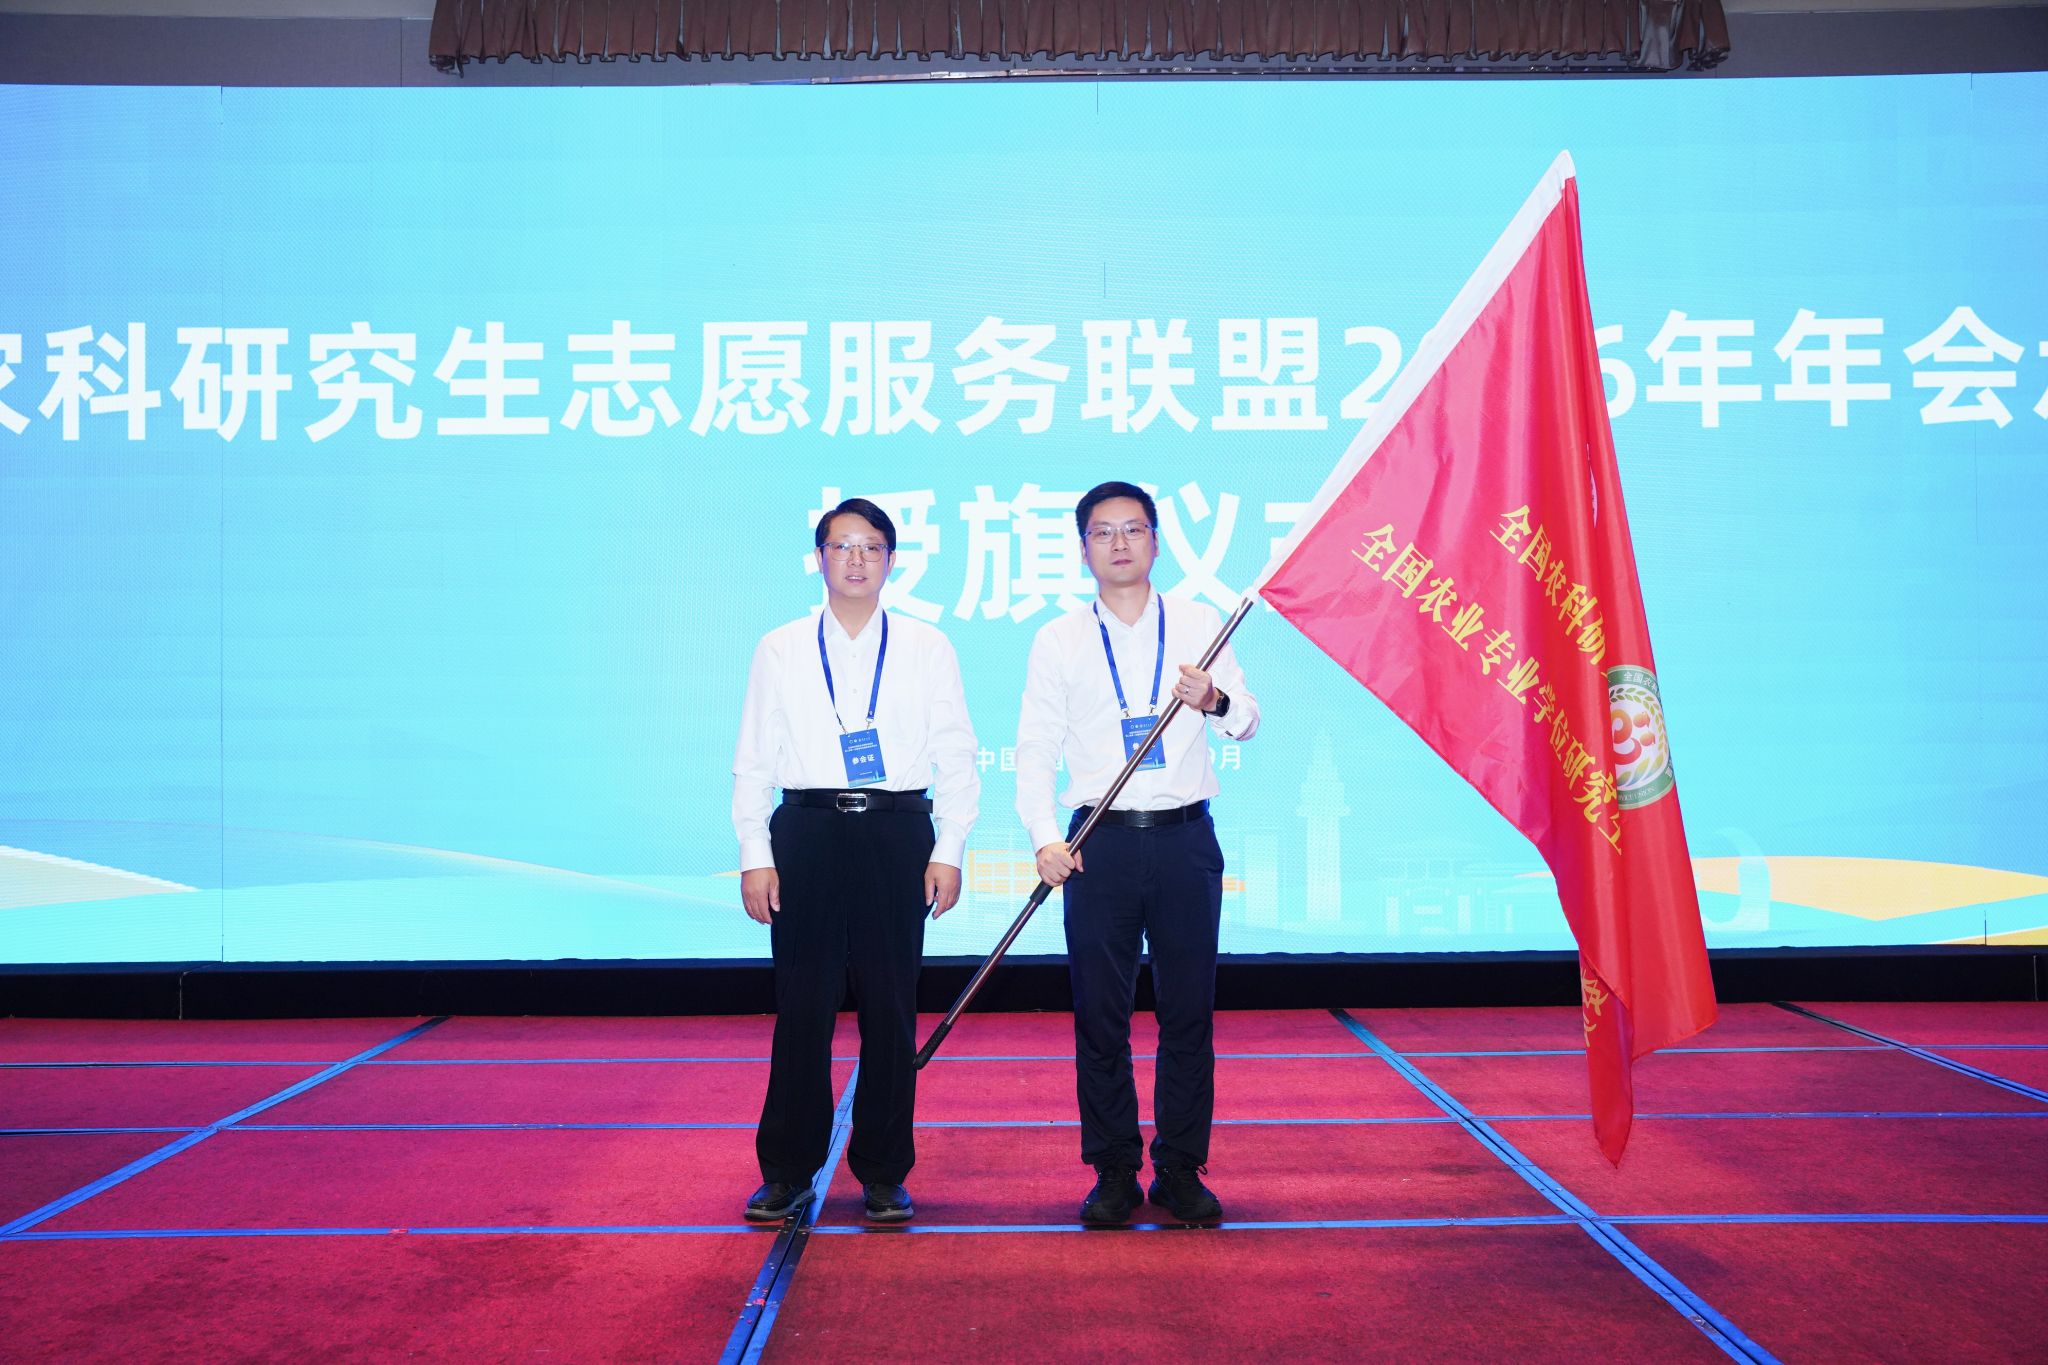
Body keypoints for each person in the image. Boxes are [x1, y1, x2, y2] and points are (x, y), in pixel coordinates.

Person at [1015, 480, 1259, 1226]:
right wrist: (1044, 837)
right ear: (1083, 548)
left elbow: (1246, 721)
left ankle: (1180, 1168)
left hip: (1185, 839)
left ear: (1156, 540)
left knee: (1188, 1013)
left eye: (1133, 529)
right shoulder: (1059, 638)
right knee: (1101, 1016)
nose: (1119, 543)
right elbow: (1035, 748)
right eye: (1103, 531)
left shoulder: (1199, 622)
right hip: (1099, 844)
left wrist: (1214, 699)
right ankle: (1114, 1169)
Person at [733, 497, 979, 1224]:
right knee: (802, 1009)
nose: (856, 560)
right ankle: (787, 1170)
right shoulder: (781, 646)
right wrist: (755, 851)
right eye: (841, 546)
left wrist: (949, 848)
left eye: (871, 547)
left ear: (891, 560)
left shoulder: (926, 646)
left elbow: (957, 753)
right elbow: (753, 757)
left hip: (896, 832)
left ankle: (883, 1172)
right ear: (818, 558)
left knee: (889, 1009)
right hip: (805, 831)